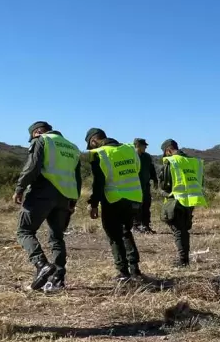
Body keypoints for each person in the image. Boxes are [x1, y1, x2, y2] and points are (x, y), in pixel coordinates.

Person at [13, 121, 82, 291]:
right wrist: (73, 200)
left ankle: (41, 264)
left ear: (37, 132)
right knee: (57, 237)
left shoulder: (42, 140)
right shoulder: (72, 147)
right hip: (65, 196)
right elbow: (77, 178)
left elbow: (32, 167)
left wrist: (20, 188)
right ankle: (57, 280)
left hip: (43, 192)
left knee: (25, 231)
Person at [86, 128, 143, 281]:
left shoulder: (100, 153)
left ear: (93, 141)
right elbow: (137, 169)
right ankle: (135, 269)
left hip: (113, 198)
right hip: (134, 197)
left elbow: (99, 182)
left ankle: (123, 272)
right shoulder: (129, 149)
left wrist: (94, 204)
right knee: (126, 231)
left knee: (114, 235)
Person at [158, 139, 206, 267]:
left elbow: (165, 184)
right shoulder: (194, 162)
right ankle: (184, 258)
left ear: (168, 150)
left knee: (179, 231)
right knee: (184, 230)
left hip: (176, 200)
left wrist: (165, 193)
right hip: (190, 200)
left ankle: (183, 260)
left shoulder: (172, 161)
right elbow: (200, 181)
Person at [132, 138, 158, 234]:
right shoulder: (131, 156)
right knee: (136, 206)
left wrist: (155, 180)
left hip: (146, 186)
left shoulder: (147, 156)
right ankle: (136, 226)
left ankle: (145, 225)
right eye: (144, 145)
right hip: (135, 186)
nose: (146, 147)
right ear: (137, 145)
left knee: (146, 205)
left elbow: (151, 168)